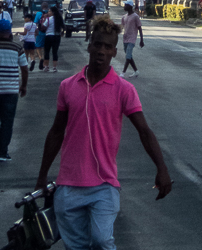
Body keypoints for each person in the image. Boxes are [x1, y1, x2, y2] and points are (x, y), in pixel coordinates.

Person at [35, 16, 171, 250]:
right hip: (68, 184)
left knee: (101, 240)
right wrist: (42, 175)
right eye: (97, 44)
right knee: (75, 246)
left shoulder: (124, 90)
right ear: (89, 45)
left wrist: (162, 168)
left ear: (114, 52)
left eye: (108, 47)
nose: (101, 51)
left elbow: (144, 131)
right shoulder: (68, 86)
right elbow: (56, 132)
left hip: (104, 185)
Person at [0, 19, 28, 162]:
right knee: (7, 121)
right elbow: (24, 69)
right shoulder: (18, 48)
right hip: (11, 91)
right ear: (10, 31)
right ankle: (3, 152)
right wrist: (24, 85)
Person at [120, 1, 143, 79]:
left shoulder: (135, 16)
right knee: (128, 56)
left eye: (125, 5)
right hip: (125, 38)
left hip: (132, 38)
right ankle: (136, 71)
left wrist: (141, 40)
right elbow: (121, 27)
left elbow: (139, 28)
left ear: (130, 6)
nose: (124, 6)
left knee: (128, 56)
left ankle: (123, 72)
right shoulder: (124, 17)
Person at [40, 5, 64, 73]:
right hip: (57, 36)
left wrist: (43, 19)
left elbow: (43, 27)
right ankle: (54, 67)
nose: (48, 12)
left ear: (53, 12)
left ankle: (46, 67)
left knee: (47, 51)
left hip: (49, 36)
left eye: (49, 11)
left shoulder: (48, 19)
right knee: (55, 52)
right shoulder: (59, 18)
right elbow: (63, 26)